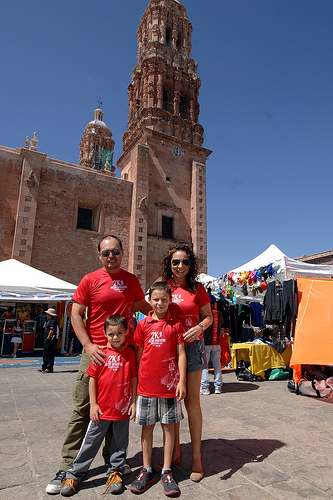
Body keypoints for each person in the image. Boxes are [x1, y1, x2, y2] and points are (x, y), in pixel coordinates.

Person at [46, 235, 151, 495]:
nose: (111, 256)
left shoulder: (131, 281)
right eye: (106, 253)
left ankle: (112, 465)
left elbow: (146, 309)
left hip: (123, 355)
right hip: (95, 354)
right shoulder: (90, 279)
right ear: (99, 255)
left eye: (115, 251)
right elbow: (75, 313)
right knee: (84, 408)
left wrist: (174, 315)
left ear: (122, 252)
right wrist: (89, 346)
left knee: (116, 411)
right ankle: (68, 466)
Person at [60, 315, 137, 496]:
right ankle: (75, 474)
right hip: (101, 410)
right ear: (104, 334)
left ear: (126, 332)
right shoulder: (101, 353)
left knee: (120, 443)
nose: (115, 337)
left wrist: (133, 402)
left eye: (119, 333)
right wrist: (93, 404)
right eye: (111, 334)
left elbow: (134, 378)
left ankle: (115, 472)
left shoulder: (130, 353)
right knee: (90, 443)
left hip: (122, 409)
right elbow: (92, 379)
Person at [160, 244, 212, 482]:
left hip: (193, 348)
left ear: (191, 265)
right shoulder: (163, 286)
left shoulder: (197, 288)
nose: (180, 266)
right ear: (169, 264)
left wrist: (199, 328)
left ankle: (197, 458)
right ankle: (175, 450)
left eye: (185, 262)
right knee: (171, 400)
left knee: (192, 401)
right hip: (168, 348)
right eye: (175, 262)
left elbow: (209, 317)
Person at [129, 282, 186, 496]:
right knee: (147, 428)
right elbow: (138, 354)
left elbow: (181, 354)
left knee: (169, 427)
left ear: (170, 300)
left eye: (164, 299)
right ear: (149, 301)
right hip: (146, 386)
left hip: (170, 386)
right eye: (156, 299)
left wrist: (181, 381)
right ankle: (146, 469)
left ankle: (167, 470)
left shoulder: (176, 325)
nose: (160, 303)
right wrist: (136, 384)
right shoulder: (143, 325)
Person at [200, 295, 224, 395]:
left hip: (206, 342)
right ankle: (218, 386)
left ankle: (205, 387)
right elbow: (222, 324)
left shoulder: (202, 313)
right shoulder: (219, 313)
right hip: (216, 342)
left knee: (204, 365)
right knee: (217, 364)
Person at [39, 308, 58, 373]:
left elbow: (51, 330)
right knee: (45, 353)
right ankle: (44, 366)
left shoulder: (53, 321)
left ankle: (49, 367)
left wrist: (48, 338)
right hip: (46, 338)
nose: (46, 314)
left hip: (50, 339)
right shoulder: (48, 320)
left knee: (49, 353)